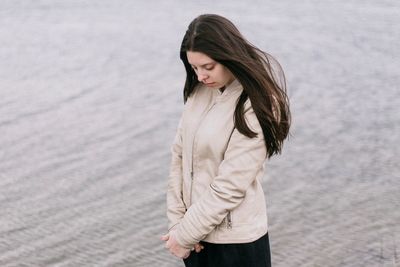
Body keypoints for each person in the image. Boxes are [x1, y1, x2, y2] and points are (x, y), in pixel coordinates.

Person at [161, 14, 291, 267]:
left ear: (228, 55)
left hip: (237, 244)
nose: (200, 76)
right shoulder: (199, 92)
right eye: (194, 68)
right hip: (195, 240)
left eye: (208, 67)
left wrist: (185, 234)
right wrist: (178, 224)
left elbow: (230, 185)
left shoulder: (257, 104)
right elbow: (178, 157)